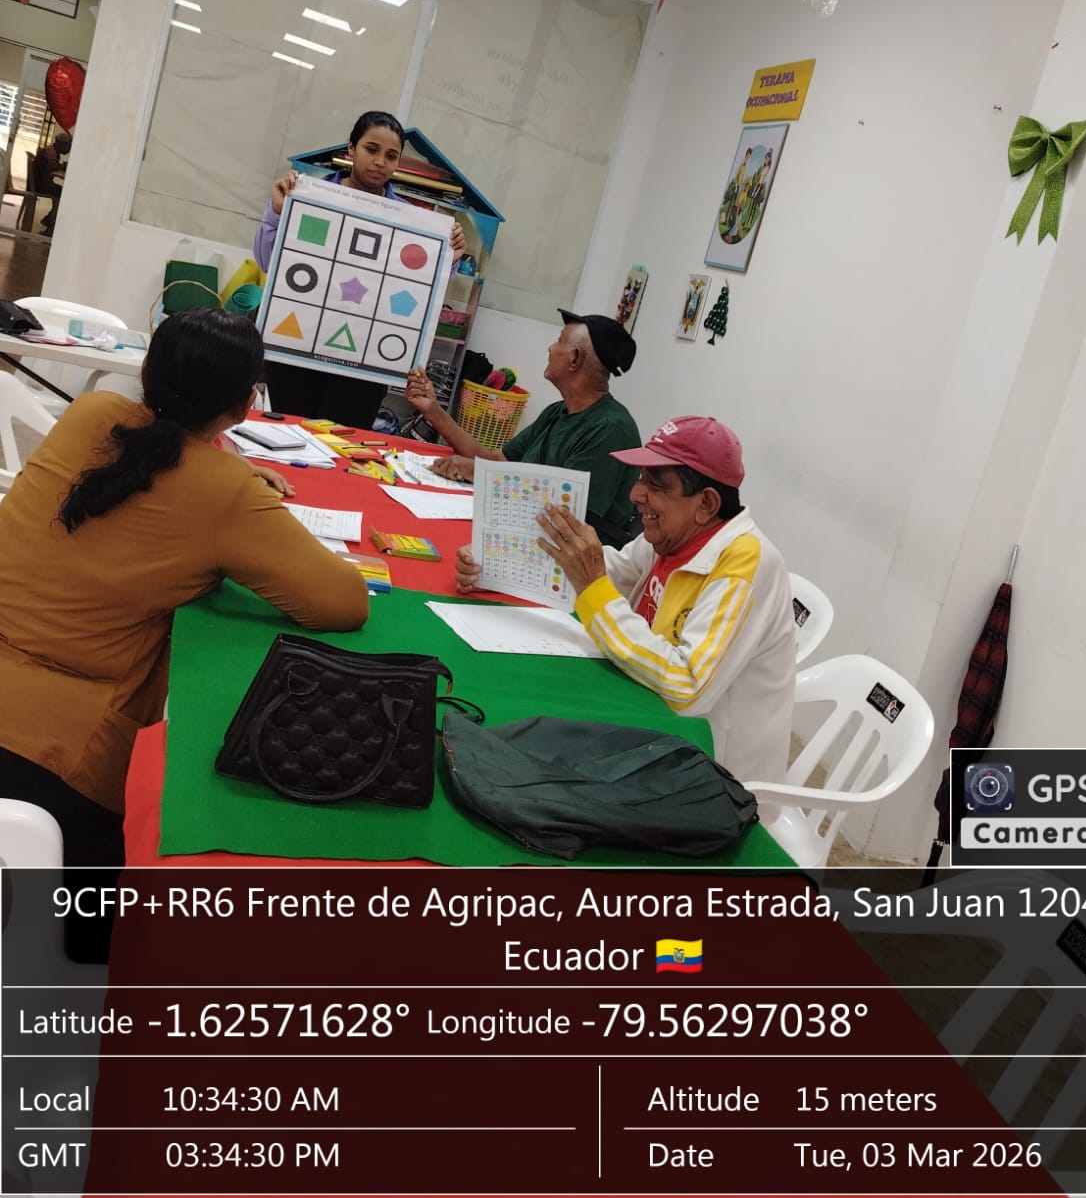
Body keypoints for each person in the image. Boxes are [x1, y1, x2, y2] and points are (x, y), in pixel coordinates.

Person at [0, 308, 369, 871]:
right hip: (60, 755)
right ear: (245, 405)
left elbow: (153, 455)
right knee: (87, 904)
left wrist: (227, 468)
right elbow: (343, 603)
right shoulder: (226, 492)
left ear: (147, 371)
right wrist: (233, 481)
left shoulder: (91, 413)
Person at [454, 416, 794, 785]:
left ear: (706, 504)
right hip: (647, 727)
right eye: (641, 479)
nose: (636, 495)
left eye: (656, 485)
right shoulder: (672, 536)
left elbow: (687, 690)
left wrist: (593, 587)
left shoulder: (744, 564)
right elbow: (606, 570)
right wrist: (493, 563)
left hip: (709, 777)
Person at [253, 111, 466, 429]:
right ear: (351, 148)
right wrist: (276, 213)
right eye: (371, 149)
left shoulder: (411, 220)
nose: (380, 162)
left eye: (391, 156)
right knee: (285, 435)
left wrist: (451, 256)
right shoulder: (306, 196)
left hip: (363, 366)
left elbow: (419, 291)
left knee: (342, 446)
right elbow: (267, 262)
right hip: (296, 350)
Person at [405, 310, 642, 545]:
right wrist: (432, 410)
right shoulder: (557, 411)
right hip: (527, 533)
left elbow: (567, 519)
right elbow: (495, 459)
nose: (550, 348)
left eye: (559, 341)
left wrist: (482, 473)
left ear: (575, 359)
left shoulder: (609, 430)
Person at [31, 131, 72, 235]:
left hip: (41, 183)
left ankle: (48, 220)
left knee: (62, 192)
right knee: (63, 195)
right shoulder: (50, 152)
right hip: (40, 185)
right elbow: (51, 165)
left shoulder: (52, 151)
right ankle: (50, 228)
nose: (68, 149)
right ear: (60, 143)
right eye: (67, 145)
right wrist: (64, 166)